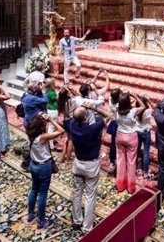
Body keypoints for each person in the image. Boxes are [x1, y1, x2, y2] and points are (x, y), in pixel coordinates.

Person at [67, 104, 111, 234]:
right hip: (90, 165)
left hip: (78, 163)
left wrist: (80, 109)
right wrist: (93, 108)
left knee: (76, 193)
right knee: (90, 196)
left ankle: (76, 221)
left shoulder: (72, 126)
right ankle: (87, 227)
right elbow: (109, 116)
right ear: (85, 116)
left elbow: (73, 116)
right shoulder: (92, 129)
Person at [26, 114, 65, 230]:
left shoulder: (31, 134)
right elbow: (61, 130)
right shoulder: (42, 137)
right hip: (43, 167)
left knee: (33, 190)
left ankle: (31, 214)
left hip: (33, 164)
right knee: (42, 194)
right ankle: (41, 221)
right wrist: (51, 120)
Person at [115, 92, 147, 193]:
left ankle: (120, 185)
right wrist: (136, 96)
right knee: (131, 162)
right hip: (131, 137)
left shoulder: (116, 109)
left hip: (120, 135)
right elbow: (143, 106)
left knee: (120, 161)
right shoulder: (133, 111)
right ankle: (130, 187)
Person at [135, 97, 154, 181]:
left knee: (137, 149)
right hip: (146, 132)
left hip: (137, 131)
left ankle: (134, 168)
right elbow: (153, 109)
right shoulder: (147, 111)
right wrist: (148, 101)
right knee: (146, 151)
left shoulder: (135, 110)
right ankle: (145, 172)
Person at [43, 78, 62, 151]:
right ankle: (50, 145)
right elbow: (58, 98)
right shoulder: (52, 92)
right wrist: (61, 91)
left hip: (49, 109)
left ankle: (49, 141)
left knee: (50, 127)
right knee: (52, 127)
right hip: (53, 111)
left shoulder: (46, 91)